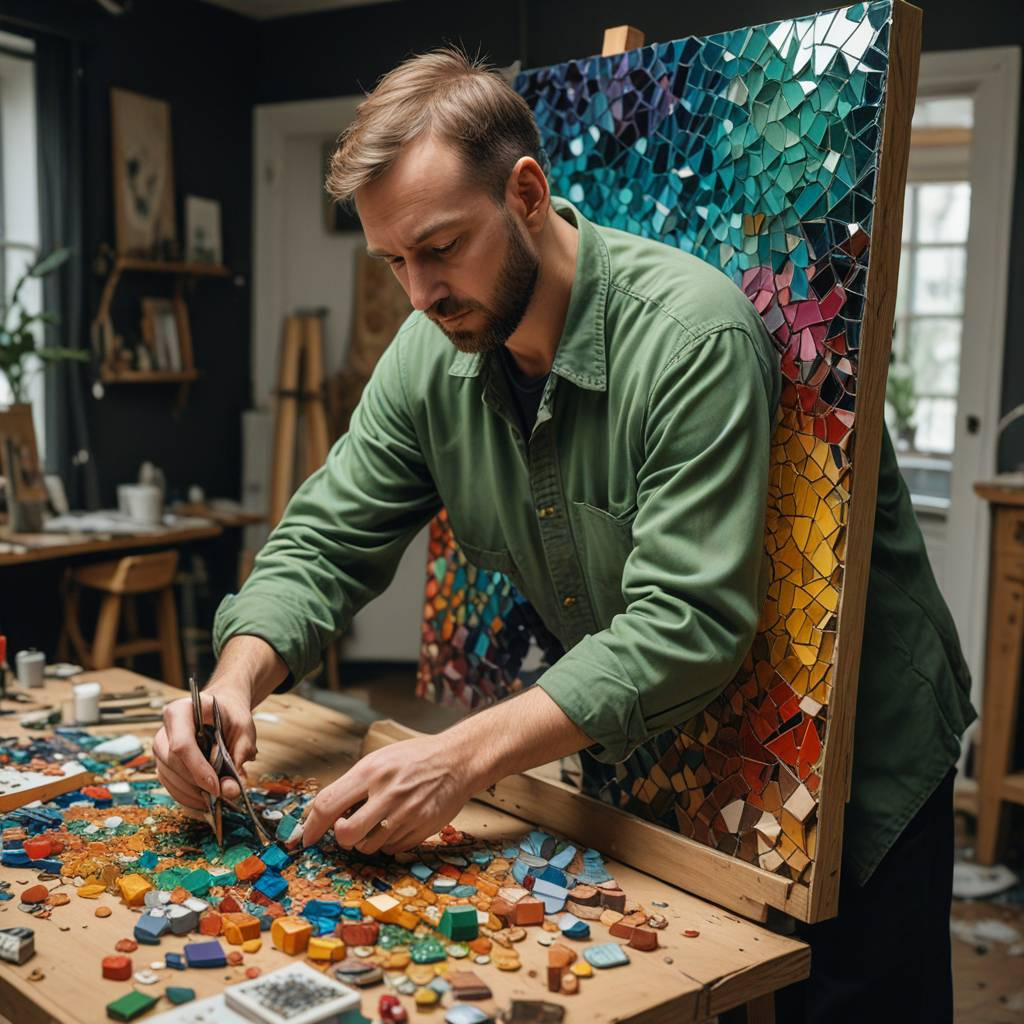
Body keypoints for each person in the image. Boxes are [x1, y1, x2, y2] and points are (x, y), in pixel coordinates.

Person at [154, 48, 975, 1021]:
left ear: (528, 193)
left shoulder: (688, 339)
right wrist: (236, 678)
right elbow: (326, 536)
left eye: (442, 246)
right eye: (393, 262)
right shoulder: (429, 351)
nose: (417, 293)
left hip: (848, 758)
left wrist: (458, 756)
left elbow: (683, 623)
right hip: (667, 753)